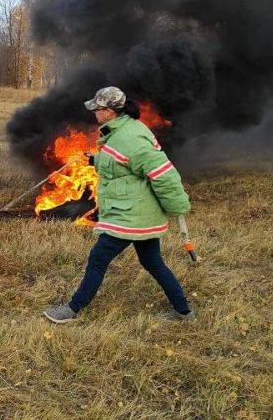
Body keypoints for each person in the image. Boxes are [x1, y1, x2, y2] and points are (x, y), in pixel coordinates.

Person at [44, 86, 194, 323]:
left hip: (130, 214)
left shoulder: (130, 136)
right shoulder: (122, 131)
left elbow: (163, 173)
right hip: (137, 213)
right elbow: (122, 160)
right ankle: (183, 310)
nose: (94, 112)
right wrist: (94, 159)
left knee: (98, 259)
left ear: (110, 111)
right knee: (152, 261)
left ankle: (72, 309)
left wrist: (178, 205)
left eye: (98, 108)